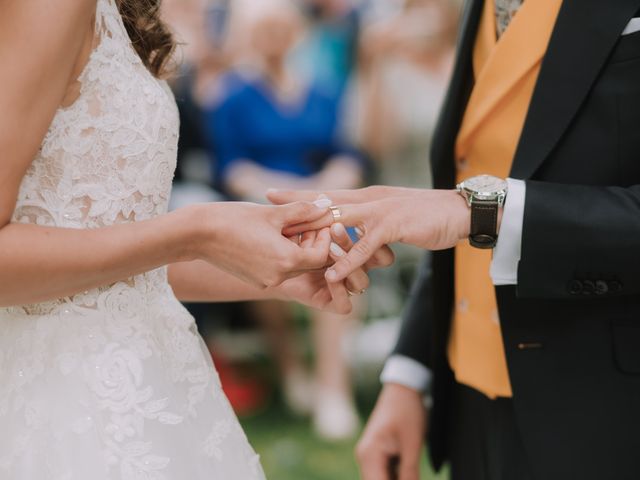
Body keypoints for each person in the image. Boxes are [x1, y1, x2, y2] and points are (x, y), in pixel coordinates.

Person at [0, 0, 390, 478]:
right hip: (63, 394)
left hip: (151, 375)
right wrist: (193, 230)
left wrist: (272, 273)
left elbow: (104, 268)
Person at [268, 0, 640, 478]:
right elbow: (466, 181)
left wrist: (480, 213)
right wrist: (409, 374)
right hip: (470, 398)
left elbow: (463, 210)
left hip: (608, 404)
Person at [202, 0, 366, 439]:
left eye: (280, 26)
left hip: (321, 199)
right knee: (273, 247)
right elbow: (231, 167)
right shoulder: (231, 95)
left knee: (339, 243)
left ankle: (334, 384)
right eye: (263, 28)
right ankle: (291, 368)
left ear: (294, 32)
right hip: (264, 201)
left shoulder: (322, 90)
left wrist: (327, 186)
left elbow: (346, 152)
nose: (273, 36)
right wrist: (291, 198)